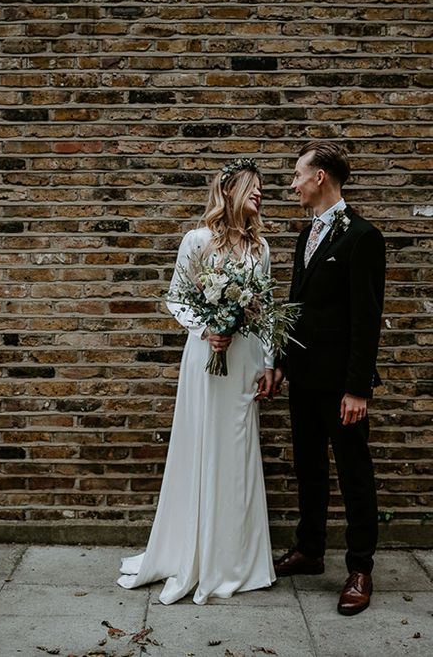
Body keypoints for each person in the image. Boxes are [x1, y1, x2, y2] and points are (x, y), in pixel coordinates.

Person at [117, 158, 276, 605]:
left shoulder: (260, 248)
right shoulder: (197, 240)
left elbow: (264, 313)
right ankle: (191, 552)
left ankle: (234, 558)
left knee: (236, 451)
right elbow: (176, 296)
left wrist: (267, 363)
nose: (260, 195)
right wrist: (207, 329)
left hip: (242, 360)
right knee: (200, 444)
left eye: (262, 188)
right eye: (253, 187)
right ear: (229, 192)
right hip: (205, 355)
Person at [272, 141, 385, 616]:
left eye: (298, 174)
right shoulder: (305, 236)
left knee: (354, 473)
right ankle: (310, 549)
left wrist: (357, 388)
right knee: (309, 468)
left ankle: (360, 568)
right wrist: (280, 361)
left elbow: (366, 317)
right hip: (304, 377)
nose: (292, 183)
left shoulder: (362, 237)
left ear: (320, 176)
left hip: (342, 385)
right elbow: (296, 306)